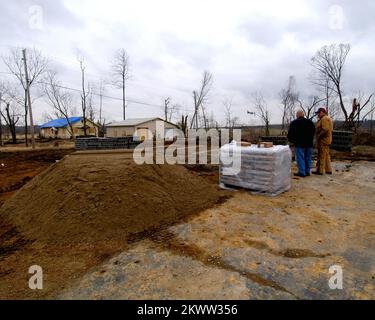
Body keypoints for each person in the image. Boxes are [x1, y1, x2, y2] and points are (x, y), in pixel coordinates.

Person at [287, 110, 316, 177]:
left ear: (297, 115)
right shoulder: (310, 122)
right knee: (308, 158)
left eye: (296, 114)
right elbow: (313, 132)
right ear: (303, 115)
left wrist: (292, 141)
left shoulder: (294, 123)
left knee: (300, 158)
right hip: (309, 144)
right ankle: (307, 171)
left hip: (299, 144)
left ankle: (302, 172)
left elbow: (290, 134)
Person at [313, 107, 333, 175]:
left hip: (323, 140)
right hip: (326, 140)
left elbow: (325, 129)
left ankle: (320, 171)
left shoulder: (324, 119)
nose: (318, 114)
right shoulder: (326, 118)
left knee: (321, 155)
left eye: (318, 113)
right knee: (326, 155)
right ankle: (328, 170)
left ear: (322, 112)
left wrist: (318, 137)